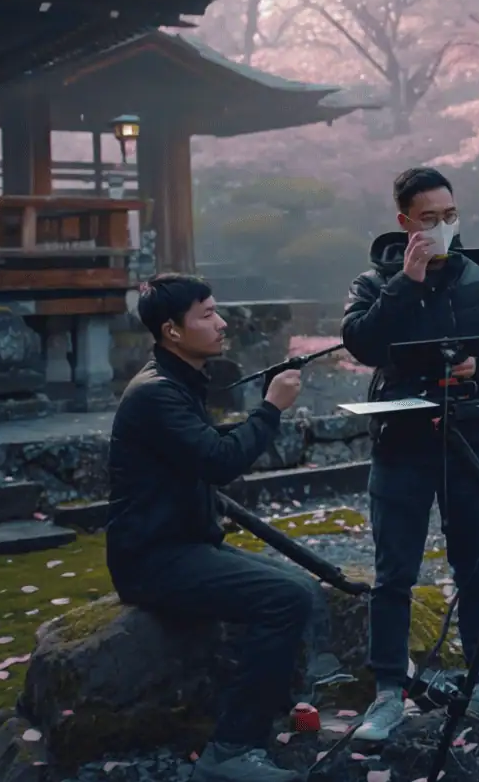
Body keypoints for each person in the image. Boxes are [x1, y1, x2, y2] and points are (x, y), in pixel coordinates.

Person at [106, 273, 319, 782]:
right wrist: (271, 409)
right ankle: (231, 750)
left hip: (183, 546)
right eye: (207, 314)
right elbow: (219, 461)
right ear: (172, 330)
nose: (221, 323)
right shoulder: (156, 393)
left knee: (301, 587)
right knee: (284, 598)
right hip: (154, 559)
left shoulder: (176, 380)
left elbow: (199, 447)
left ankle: (273, 709)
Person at [341, 166, 479, 742]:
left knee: (476, 565)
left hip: (471, 431)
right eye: (430, 219)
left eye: (450, 216)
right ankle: (389, 692)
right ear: (404, 222)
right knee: (394, 572)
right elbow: (363, 343)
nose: (444, 227)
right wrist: (408, 279)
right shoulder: (374, 281)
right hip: (401, 438)